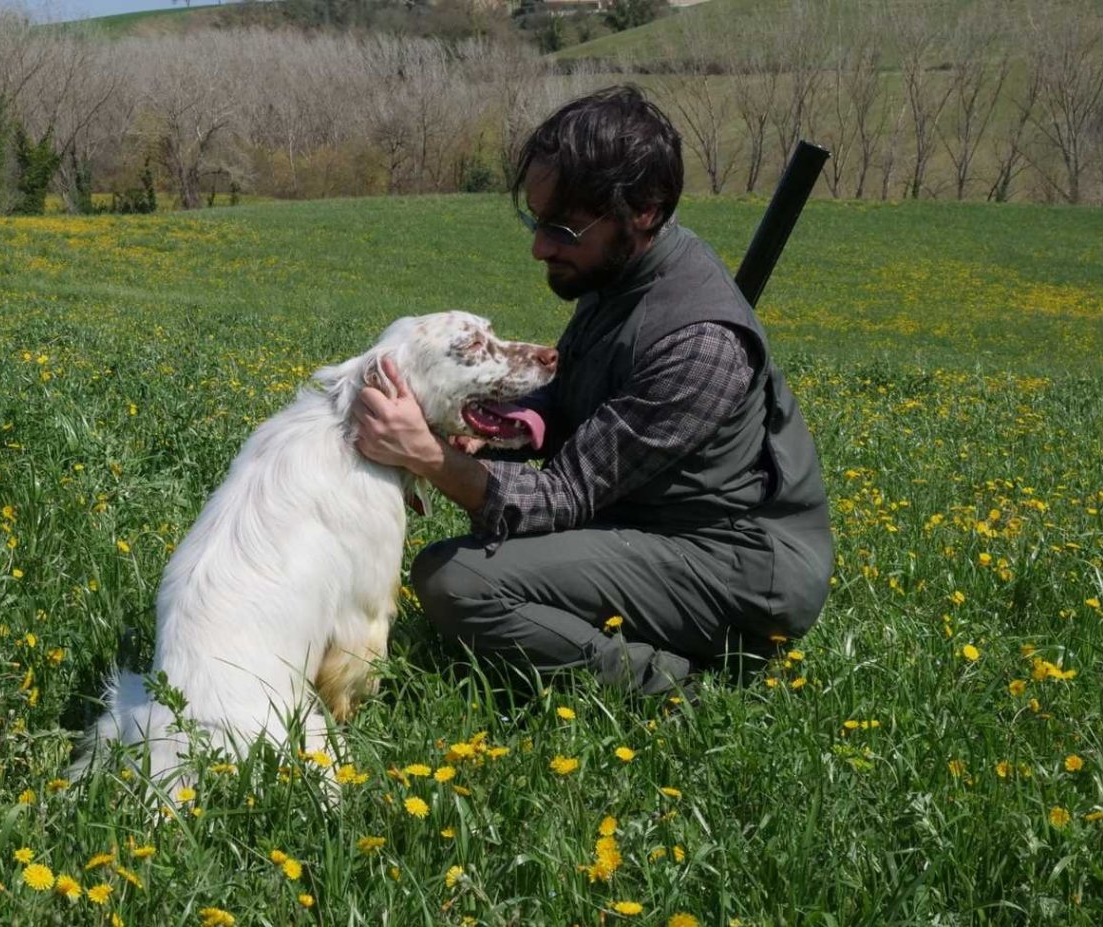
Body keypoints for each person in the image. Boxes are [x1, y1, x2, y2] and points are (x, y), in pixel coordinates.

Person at [351, 85, 832, 698]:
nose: (540, 246)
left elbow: (564, 495)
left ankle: (670, 687)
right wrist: (509, 429)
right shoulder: (618, 273)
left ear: (646, 211)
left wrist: (427, 456)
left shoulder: (700, 342)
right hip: (643, 519)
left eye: (563, 228)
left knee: (458, 581)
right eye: (535, 219)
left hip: (734, 566)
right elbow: (578, 392)